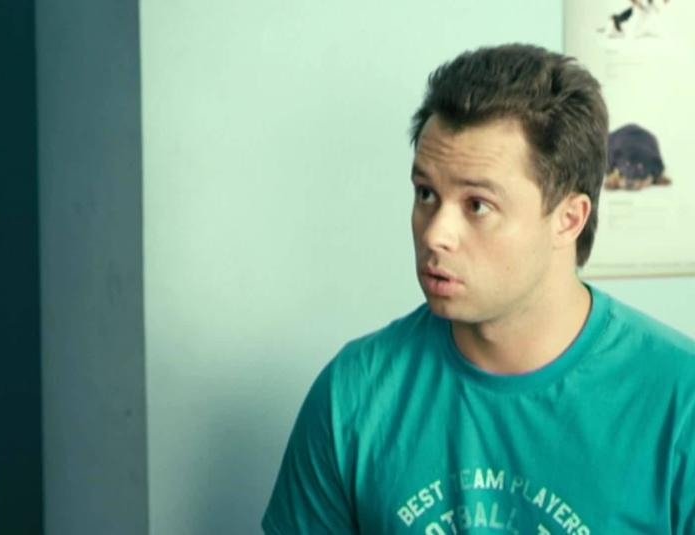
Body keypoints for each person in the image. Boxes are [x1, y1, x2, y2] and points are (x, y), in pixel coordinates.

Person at [262, 44, 695, 534]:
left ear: (569, 219)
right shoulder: (354, 395)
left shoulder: (680, 404)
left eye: (477, 205)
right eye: (427, 194)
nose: (435, 234)